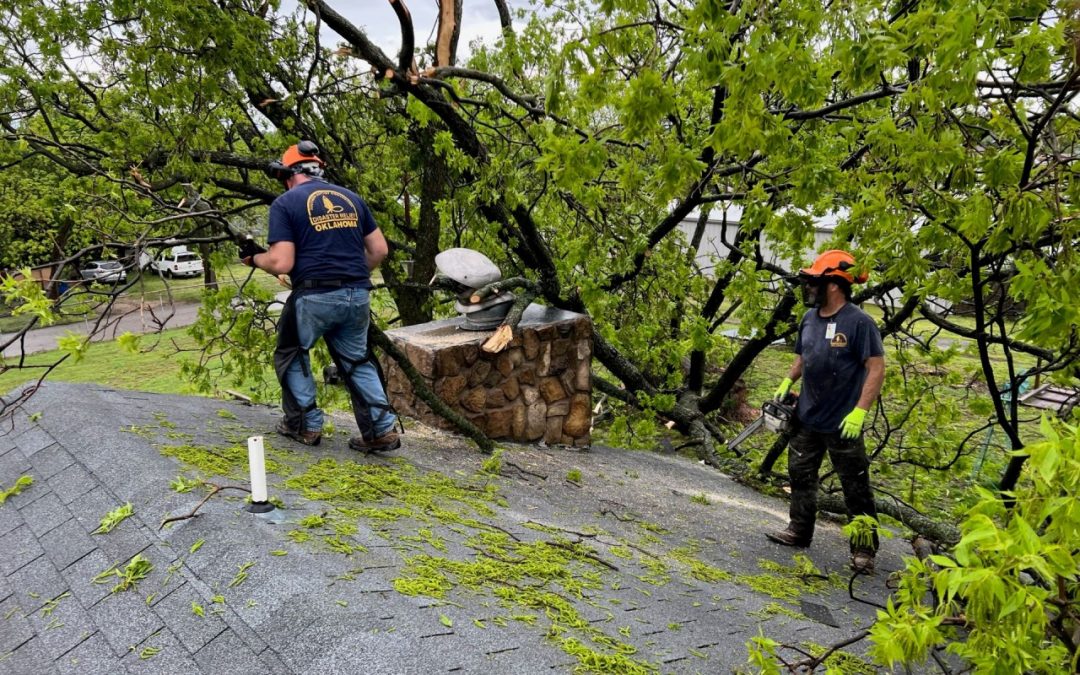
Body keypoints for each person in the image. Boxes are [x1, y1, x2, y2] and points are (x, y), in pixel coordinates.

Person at [241, 140, 400, 452]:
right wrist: (352, 275)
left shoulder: (286, 203)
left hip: (314, 296)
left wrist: (254, 258)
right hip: (357, 295)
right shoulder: (351, 198)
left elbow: (281, 262)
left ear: (288, 174)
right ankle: (381, 431)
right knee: (356, 361)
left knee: (291, 351)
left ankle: (305, 425)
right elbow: (380, 250)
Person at [766, 250, 885, 574]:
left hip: (842, 421)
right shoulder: (809, 319)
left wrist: (860, 411)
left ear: (833, 284)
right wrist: (788, 379)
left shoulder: (859, 323)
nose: (809, 287)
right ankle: (799, 530)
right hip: (808, 415)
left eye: (814, 282)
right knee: (800, 475)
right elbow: (805, 354)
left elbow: (875, 368)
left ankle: (864, 551)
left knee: (856, 487)